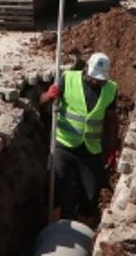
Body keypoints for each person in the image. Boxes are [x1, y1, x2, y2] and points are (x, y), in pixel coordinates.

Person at [40, 52, 119, 223]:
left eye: (101, 79)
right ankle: (52, 227)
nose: (97, 81)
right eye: (94, 77)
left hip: (90, 150)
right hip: (64, 145)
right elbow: (41, 101)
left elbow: (112, 120)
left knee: (91, 196)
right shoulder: (67, 78)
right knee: (54, 187)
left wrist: (112, 148)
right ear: (86, 69)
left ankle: (84, 234)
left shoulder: (111, 89)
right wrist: (49, 95)